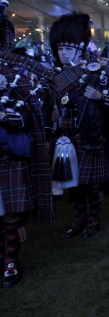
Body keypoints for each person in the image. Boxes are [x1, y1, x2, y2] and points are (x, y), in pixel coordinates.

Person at [49, 13, 109, 240]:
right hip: (66, 137)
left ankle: (93, 220)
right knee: (74, 183)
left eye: (67, 49)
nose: (62, 53)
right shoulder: (56, 76)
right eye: (60, 49)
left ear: (79, 50)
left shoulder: (95, 72)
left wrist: (99, 96)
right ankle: (79, 219)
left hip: (89, 134)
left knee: (92, 184)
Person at [0, 48, 54, 287]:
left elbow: (27, 115)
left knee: (10, 214)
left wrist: (5, 117)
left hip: (7, 157)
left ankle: (11, 262)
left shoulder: (9, 76)